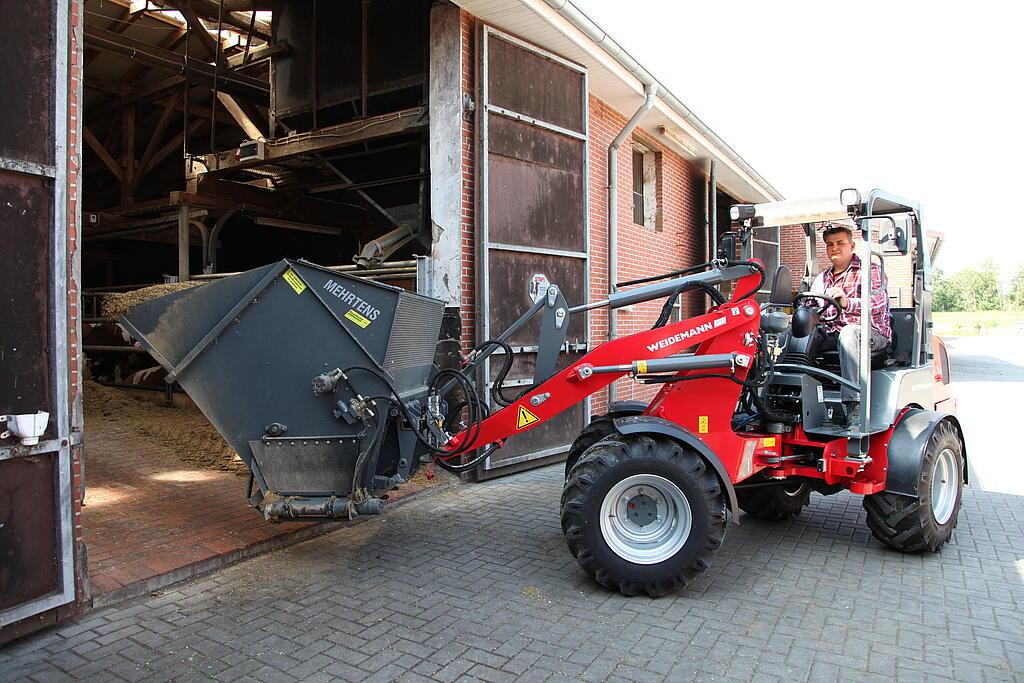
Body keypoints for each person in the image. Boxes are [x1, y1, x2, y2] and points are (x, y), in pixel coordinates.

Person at [806, 224, 892, 425]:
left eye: (840, 243)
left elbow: (877, 305)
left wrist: (846, 302)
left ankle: (854, 404)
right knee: (792, 335)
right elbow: (810, 305)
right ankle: (784, 396)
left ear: (852, 245)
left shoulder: (870, 271)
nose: (834, 248)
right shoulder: (823, 278)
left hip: (871, 333)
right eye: (829, 244)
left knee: (849, 333)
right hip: (832, 331)